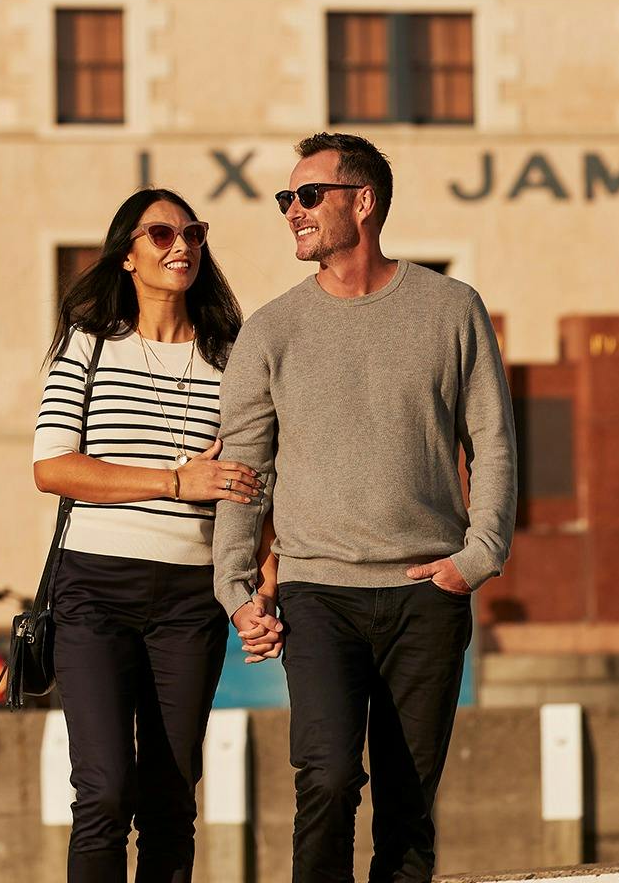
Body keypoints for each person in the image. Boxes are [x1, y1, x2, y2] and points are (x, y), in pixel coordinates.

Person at [213, 132, 517, 883]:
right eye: (287, 198)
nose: (292, 211)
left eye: (308, 195)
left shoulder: (451, 309)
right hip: (320, 593)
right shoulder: (272, 330)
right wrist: (237, 590)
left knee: (408, 806)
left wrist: (478, 558)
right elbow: (242, 472)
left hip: (427, 593)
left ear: (364, 202)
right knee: (326, 778)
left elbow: (495, 443)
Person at [33, 188, 272, 883]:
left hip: (190, 601)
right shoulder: (86, 345)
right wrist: (175, 481)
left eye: (193, 232)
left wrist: (263, 580)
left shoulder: (233, 358)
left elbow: (255, 481)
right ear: (128, 254)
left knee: (171, 800)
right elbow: (53, 469)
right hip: (95, 590)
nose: (182, 246)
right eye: (162, 233)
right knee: (103, 793)